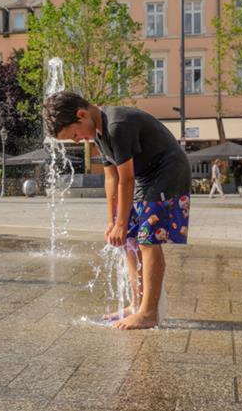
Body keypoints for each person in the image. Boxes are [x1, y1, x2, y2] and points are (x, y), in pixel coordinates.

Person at [44, 92, 190, 330]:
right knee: (129, 241)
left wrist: (122, 222)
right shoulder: (100, 133)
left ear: (81, 115)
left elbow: (127, 179)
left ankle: (148, 312)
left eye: (75, 135)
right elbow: (110, 178)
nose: (78, 141)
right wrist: (113, 222)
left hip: (168, 171)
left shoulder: (117, 125)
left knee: (147, 240)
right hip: (146, 177)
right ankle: (136, 305)